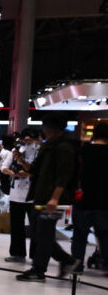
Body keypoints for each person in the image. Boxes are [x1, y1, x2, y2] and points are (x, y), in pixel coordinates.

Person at [15, 113, 79, 281]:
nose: (43, 130)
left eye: (45, 126)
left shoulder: (64, 147)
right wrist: (21, 161)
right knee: (39, 232)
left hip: (52, 199)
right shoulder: (48, 145)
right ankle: (66, 261)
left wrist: (55, 198)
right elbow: (34, 169)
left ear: (51, 127)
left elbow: (64, 174)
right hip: (41, 197)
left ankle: (39, 269)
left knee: (43, 233)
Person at [70, 121, 108, 273]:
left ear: (94, 134)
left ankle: (77, 266)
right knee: (105, 236)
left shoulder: (81, 152)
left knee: (79, 235)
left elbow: (73, 175)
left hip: (82, 200)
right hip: (105, 203)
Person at [2, 129, 39, 263]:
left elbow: (40, 170)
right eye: (25, 139)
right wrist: (12, 173)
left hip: (33, 194)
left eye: (30, 139)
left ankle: (36, 255)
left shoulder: (39, 152)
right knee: (17, 226)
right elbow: (4, 167)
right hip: (16, 193)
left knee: (36, 227)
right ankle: (17, 253)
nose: (27, 142)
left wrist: (29, 173)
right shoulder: (16, 152)